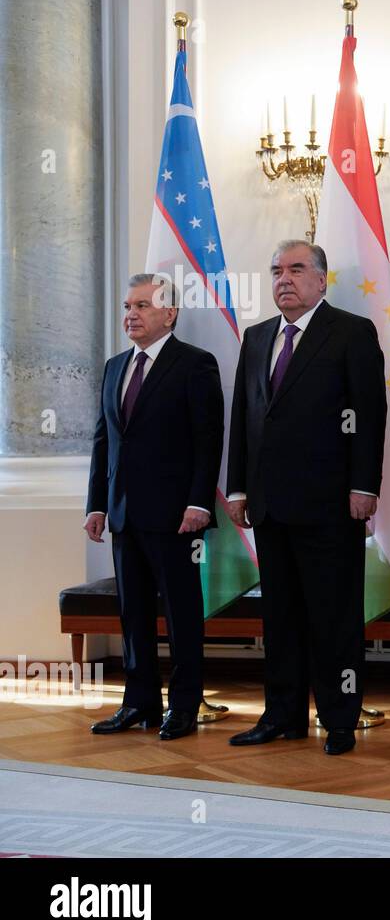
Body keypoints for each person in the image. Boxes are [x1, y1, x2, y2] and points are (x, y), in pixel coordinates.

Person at [224, 240, 386, 756]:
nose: (284, 279)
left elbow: (370, 415)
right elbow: (244, 419)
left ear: (321, 279)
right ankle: (283, 715)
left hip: (330, 504)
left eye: (296, 269)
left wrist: (365, 486)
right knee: (281, 616)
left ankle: (340, 719)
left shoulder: (351, 332)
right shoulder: (256, 338)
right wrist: (238, 486)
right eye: (276, 270)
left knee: (333, 617)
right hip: (269, 505)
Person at [85, 272, 223, 740]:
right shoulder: (114, 366)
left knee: (182, 615)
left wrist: (199, 503)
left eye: (142, 306)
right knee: (134, 615)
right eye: (128, 306)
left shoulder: (195, 365)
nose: (131, 315)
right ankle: (139, 703)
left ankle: (184, 707)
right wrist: (96, 505)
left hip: (177, 518)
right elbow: (104, 444)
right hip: (124, 516)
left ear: (169, 313)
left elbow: (208, 443)